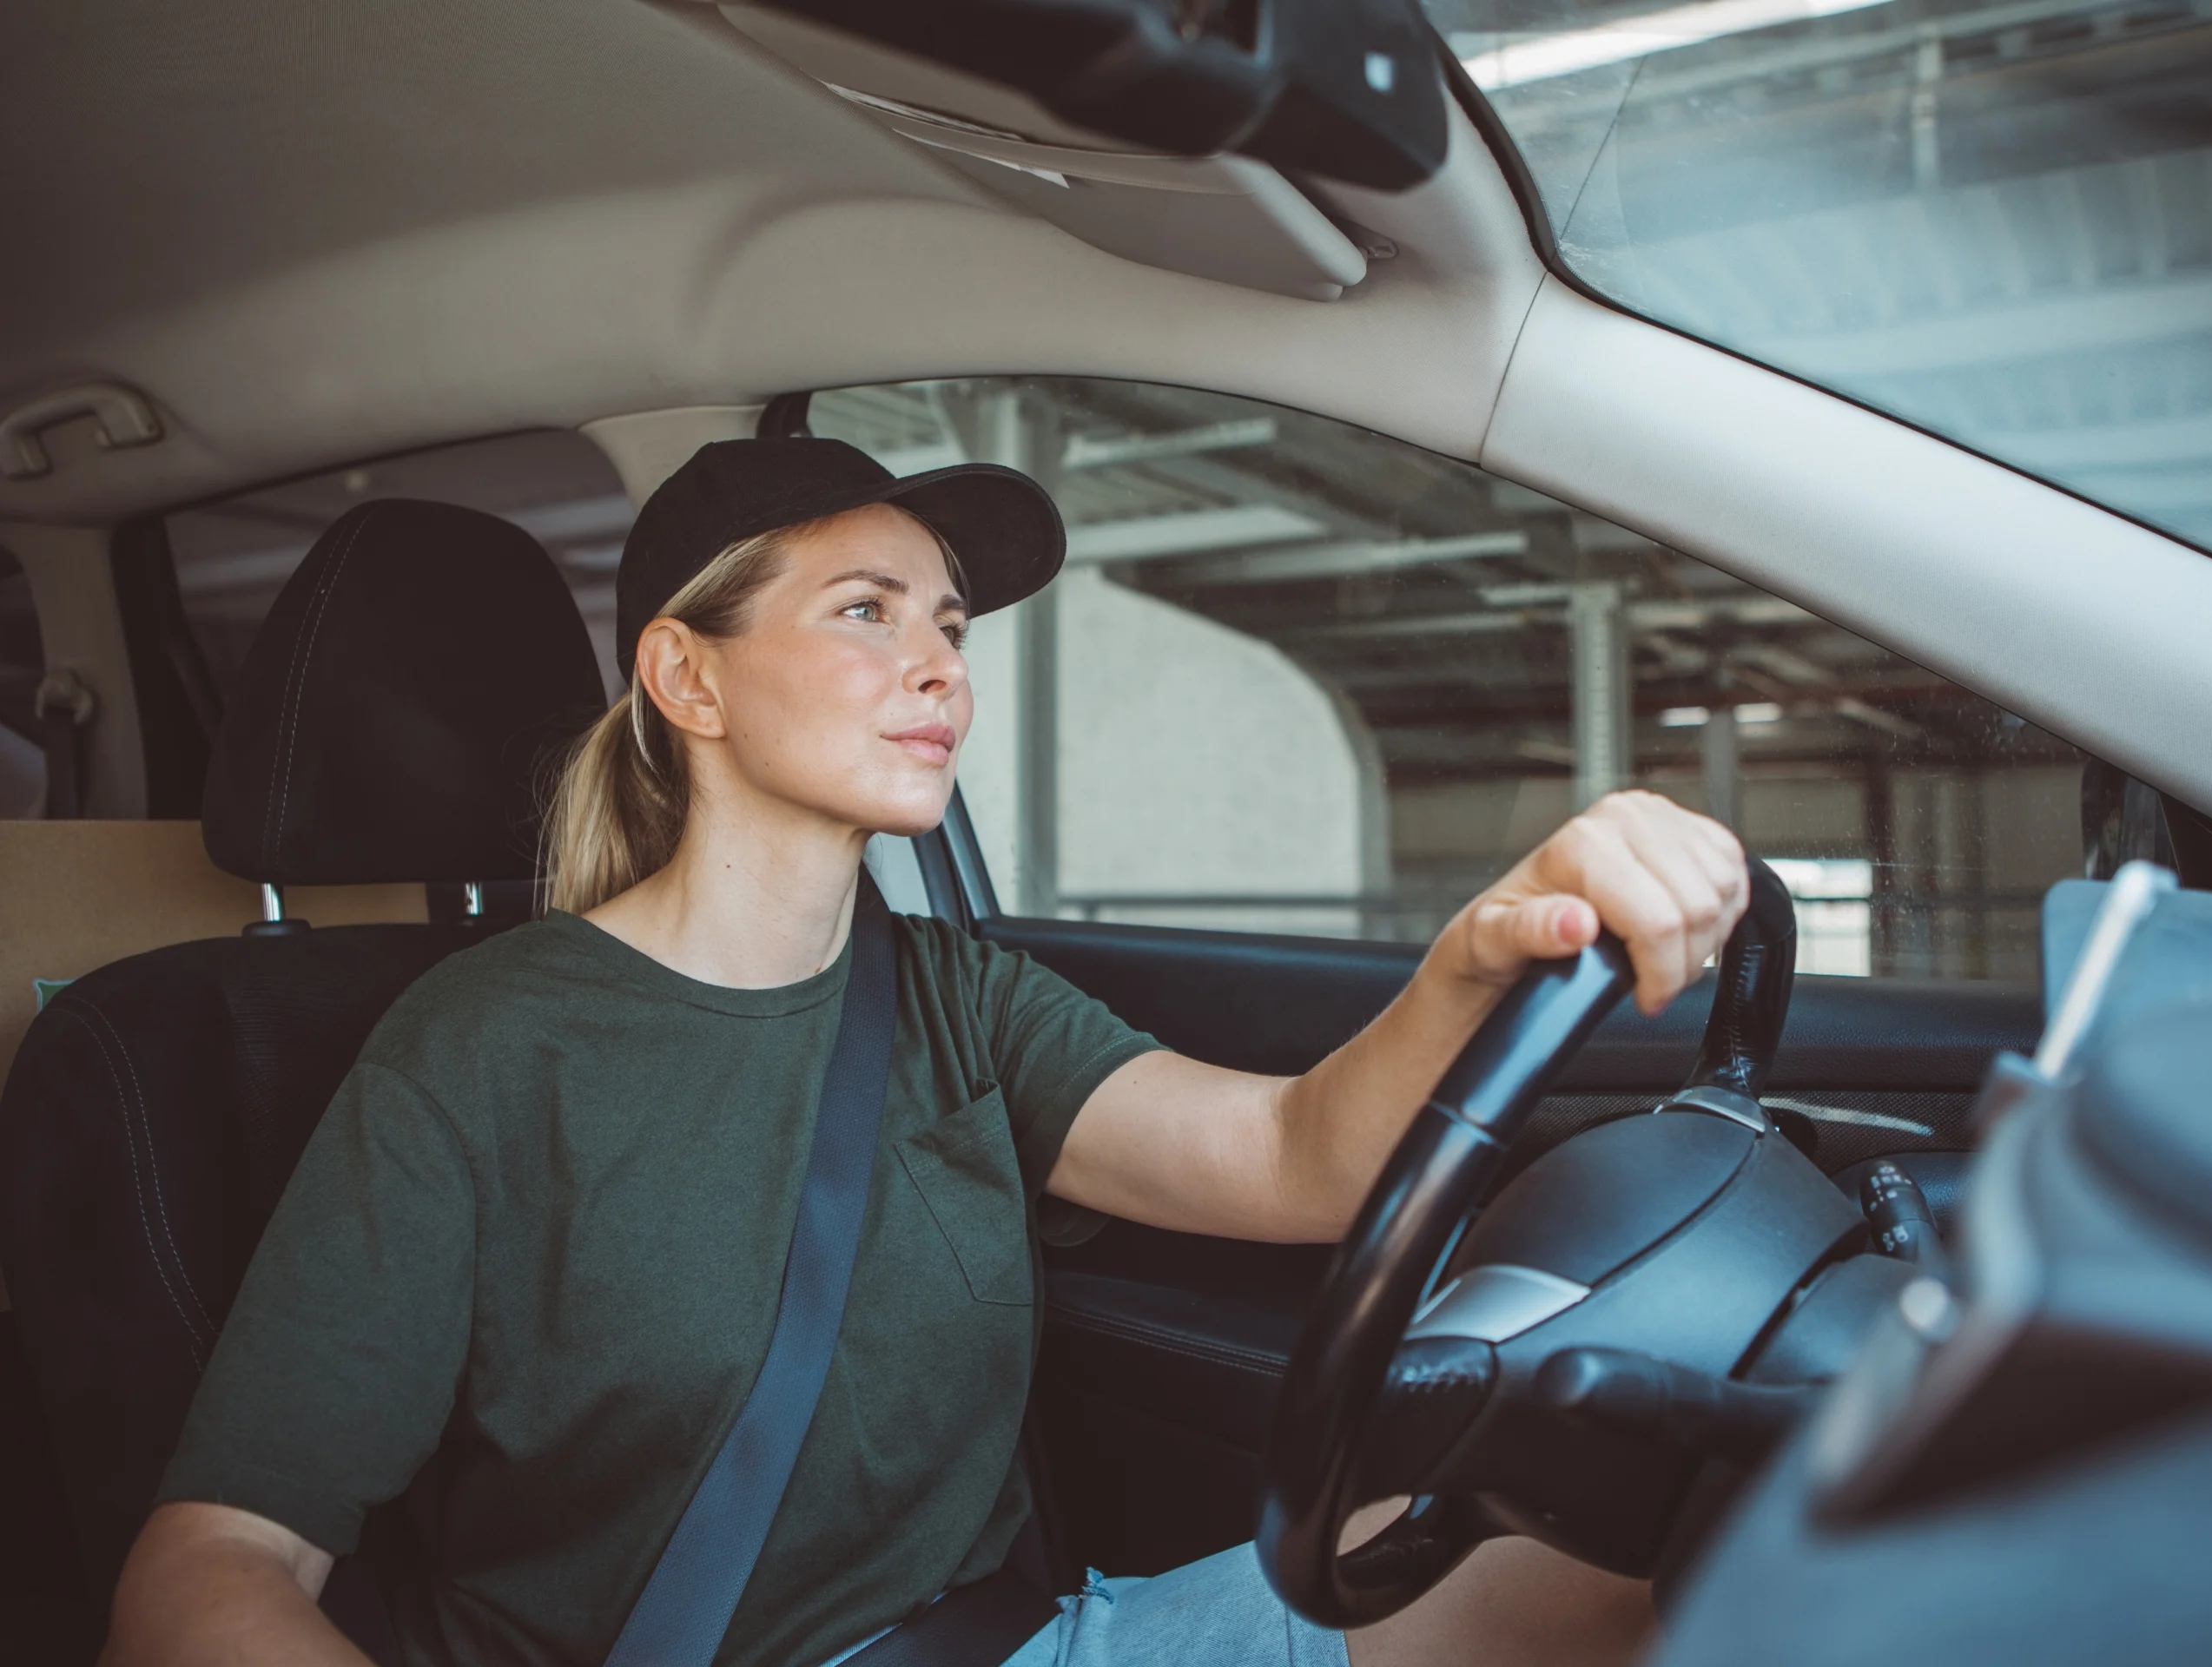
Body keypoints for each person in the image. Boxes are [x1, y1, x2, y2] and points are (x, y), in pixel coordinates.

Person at [103, 439, 1749, 1667]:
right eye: (865, 610)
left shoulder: (959, 997)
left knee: (1685, 1540)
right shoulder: (480, 1052)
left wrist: (1483, 950)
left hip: (1033, 1648)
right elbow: (211, 1569)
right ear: (689, 676)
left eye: (950, 622)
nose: (942, 664)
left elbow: (1299, 1158)